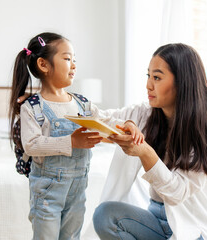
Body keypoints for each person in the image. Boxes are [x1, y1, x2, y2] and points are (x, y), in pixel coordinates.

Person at [92, 43, 207, 240]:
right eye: (148, 76)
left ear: (182, 82)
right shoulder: (145, 114)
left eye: (157, 77)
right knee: (105, 215)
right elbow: (101, 118)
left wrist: (145, 152)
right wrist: (66, 100)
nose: (148, 85)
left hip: (193, 226)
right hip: (155, 219)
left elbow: (177, 193)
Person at [8, 32, 144, 240]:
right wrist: (71, 141)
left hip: (78, 188)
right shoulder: (33, 107)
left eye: (74, 60)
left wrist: (126, 124)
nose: (74, 65)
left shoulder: (82, 103)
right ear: (44, 65)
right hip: (47, 192)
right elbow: (32, 145)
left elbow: (105, 120)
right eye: (67, 58)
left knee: (72, 236)